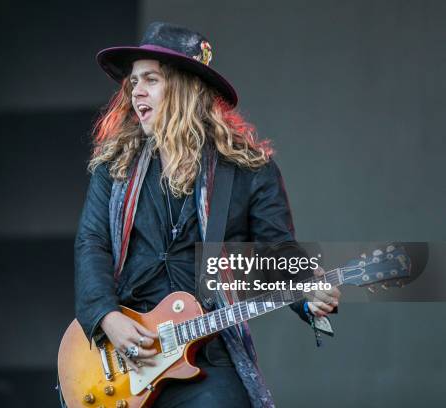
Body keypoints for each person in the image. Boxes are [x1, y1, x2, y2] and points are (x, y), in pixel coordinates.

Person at [74, 22, 340, 408]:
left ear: (184, 87)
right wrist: (106, 317)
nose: (137, 91)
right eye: (133, 82)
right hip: (124, 354)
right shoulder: (115, 168)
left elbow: (276, 252)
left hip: (207, 356)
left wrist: (308, 294)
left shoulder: (248, 170)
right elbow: (92, 243)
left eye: (151, 79)